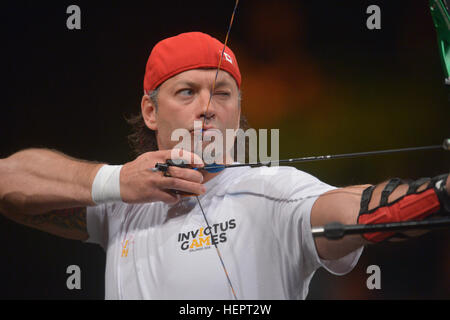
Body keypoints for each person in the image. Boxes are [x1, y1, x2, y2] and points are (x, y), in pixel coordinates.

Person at [0, 32, 449, 300]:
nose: (207, 107)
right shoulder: (121, 207)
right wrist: (116, 181)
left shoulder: (276, 192)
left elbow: (362, 211)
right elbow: (10, 183)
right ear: (151, 111)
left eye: (222, 92)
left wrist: (441, 192)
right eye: (186, 92)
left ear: (237, 109)